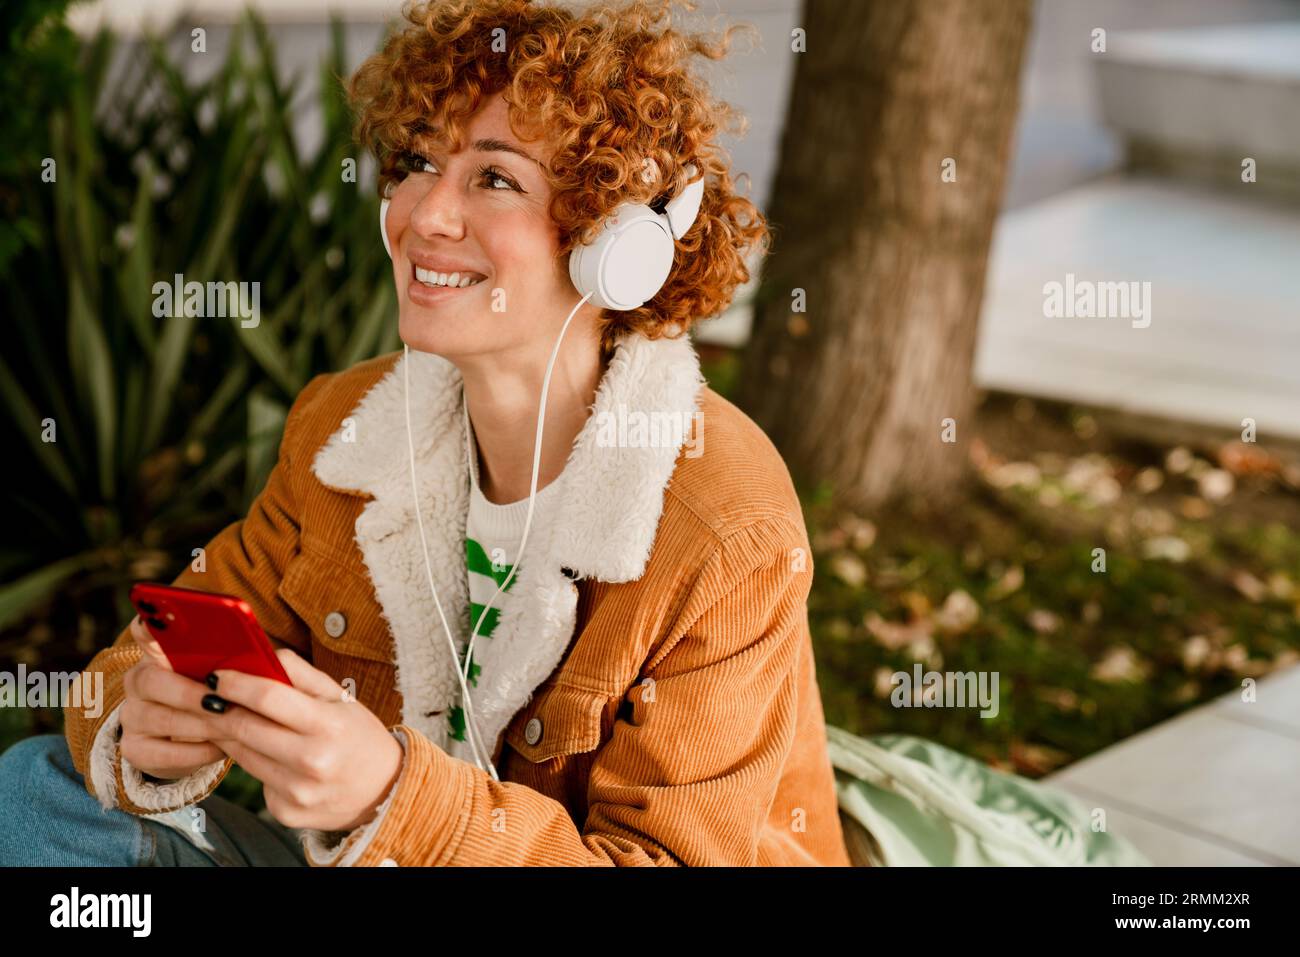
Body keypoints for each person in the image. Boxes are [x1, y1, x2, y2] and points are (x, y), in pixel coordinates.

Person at [0, 0, 852, 867]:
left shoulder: (726, 530)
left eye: (494, 178)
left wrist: (392, 800)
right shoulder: (343, 426)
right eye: (415, 163)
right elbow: (164, 642)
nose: (422, 215)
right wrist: (137, 715)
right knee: (35, 789)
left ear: (613, 243)